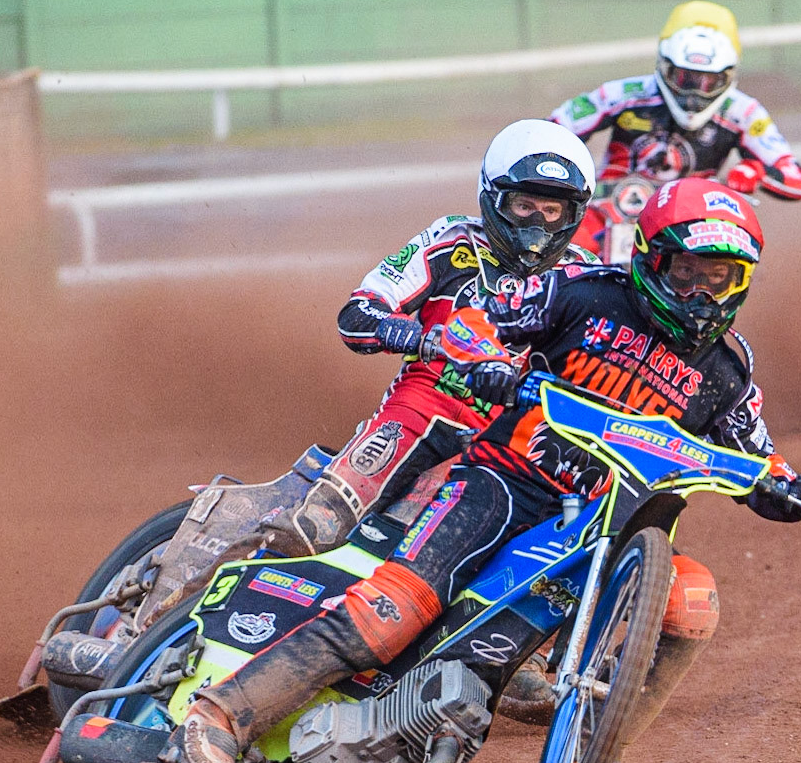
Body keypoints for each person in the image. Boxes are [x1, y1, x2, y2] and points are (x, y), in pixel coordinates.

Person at [159, 178, 801, 763]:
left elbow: (758, 460)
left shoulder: (729, 371)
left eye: (719, 279)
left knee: (692, 603)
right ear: (651, 258)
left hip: (603, 531)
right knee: (392, 615)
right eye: (687, 271)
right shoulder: (581, 291)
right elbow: (479, 320)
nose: (699, 293)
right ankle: (217, 717)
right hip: (503, 485)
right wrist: (487, 359)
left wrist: (792, 487)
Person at [251, 119, 598, 559]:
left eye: (552, 212)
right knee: (315, 526)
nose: (537, 225)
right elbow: (359, 311)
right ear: (494, 198)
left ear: (574, 215)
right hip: (426, 407)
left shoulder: (586, 275)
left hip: (518, 434)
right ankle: (208, 598)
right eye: (524, 206)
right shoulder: (452, 239)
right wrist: (409, 333)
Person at [549, 0, 801, 255]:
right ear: (664, 67)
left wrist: (756, 172)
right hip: (608, 212)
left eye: (709, 82)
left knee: (724, 263)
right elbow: (552, 129)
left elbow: (795, 179)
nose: (694, 94)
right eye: (684, 78)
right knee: (557, 255)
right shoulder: (624, 93)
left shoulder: (744, 112)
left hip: (691, 226)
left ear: (729, 76)